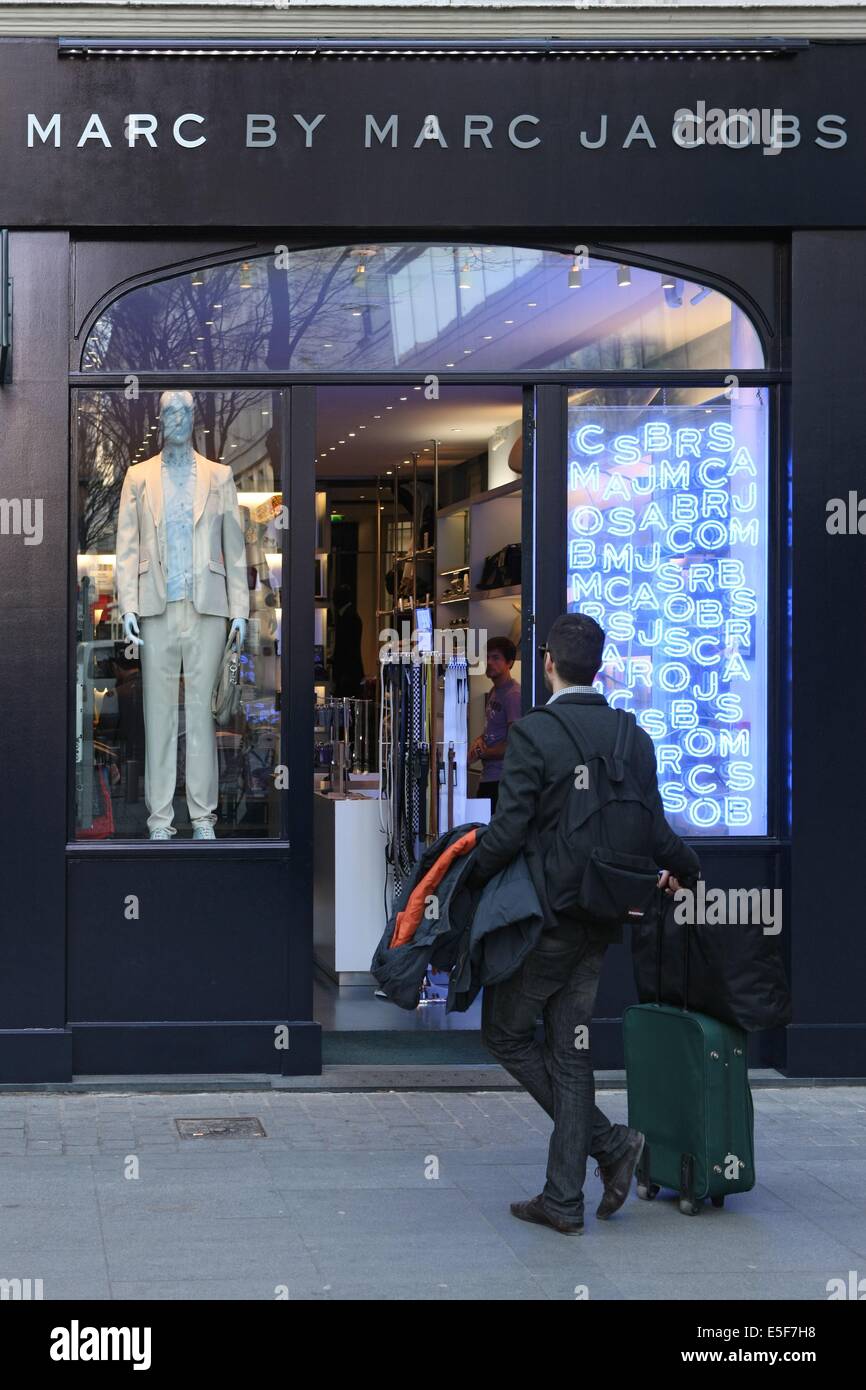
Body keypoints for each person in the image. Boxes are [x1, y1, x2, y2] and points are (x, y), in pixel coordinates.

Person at [469, 612, 701, 1235]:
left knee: (506, 1033)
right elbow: (653, 826)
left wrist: (465, 874)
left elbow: (509, 831)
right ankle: (565, 1197)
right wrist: (690, 869)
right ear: (596, 668)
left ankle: (609, 1146)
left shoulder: (535, 733)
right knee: (571, 1052)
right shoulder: (632, 734)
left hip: (548, 917)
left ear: (547, 663)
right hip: (603, 915)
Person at [468, 636, 521, 812]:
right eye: (487, 657)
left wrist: (485, 753)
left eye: (496, 658)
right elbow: (492, 729)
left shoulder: (513, 695)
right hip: (488, 776)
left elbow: (514, 743)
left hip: (502, 780)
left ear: (510, 663)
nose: (489, 662)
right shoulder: (495, 691)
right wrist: (479, 741)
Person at [331, 582, 364, 698]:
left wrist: (339, 673)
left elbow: (346, 648)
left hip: (347, 674)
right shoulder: (351, 616)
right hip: (350, 672)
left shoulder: (348, 618)